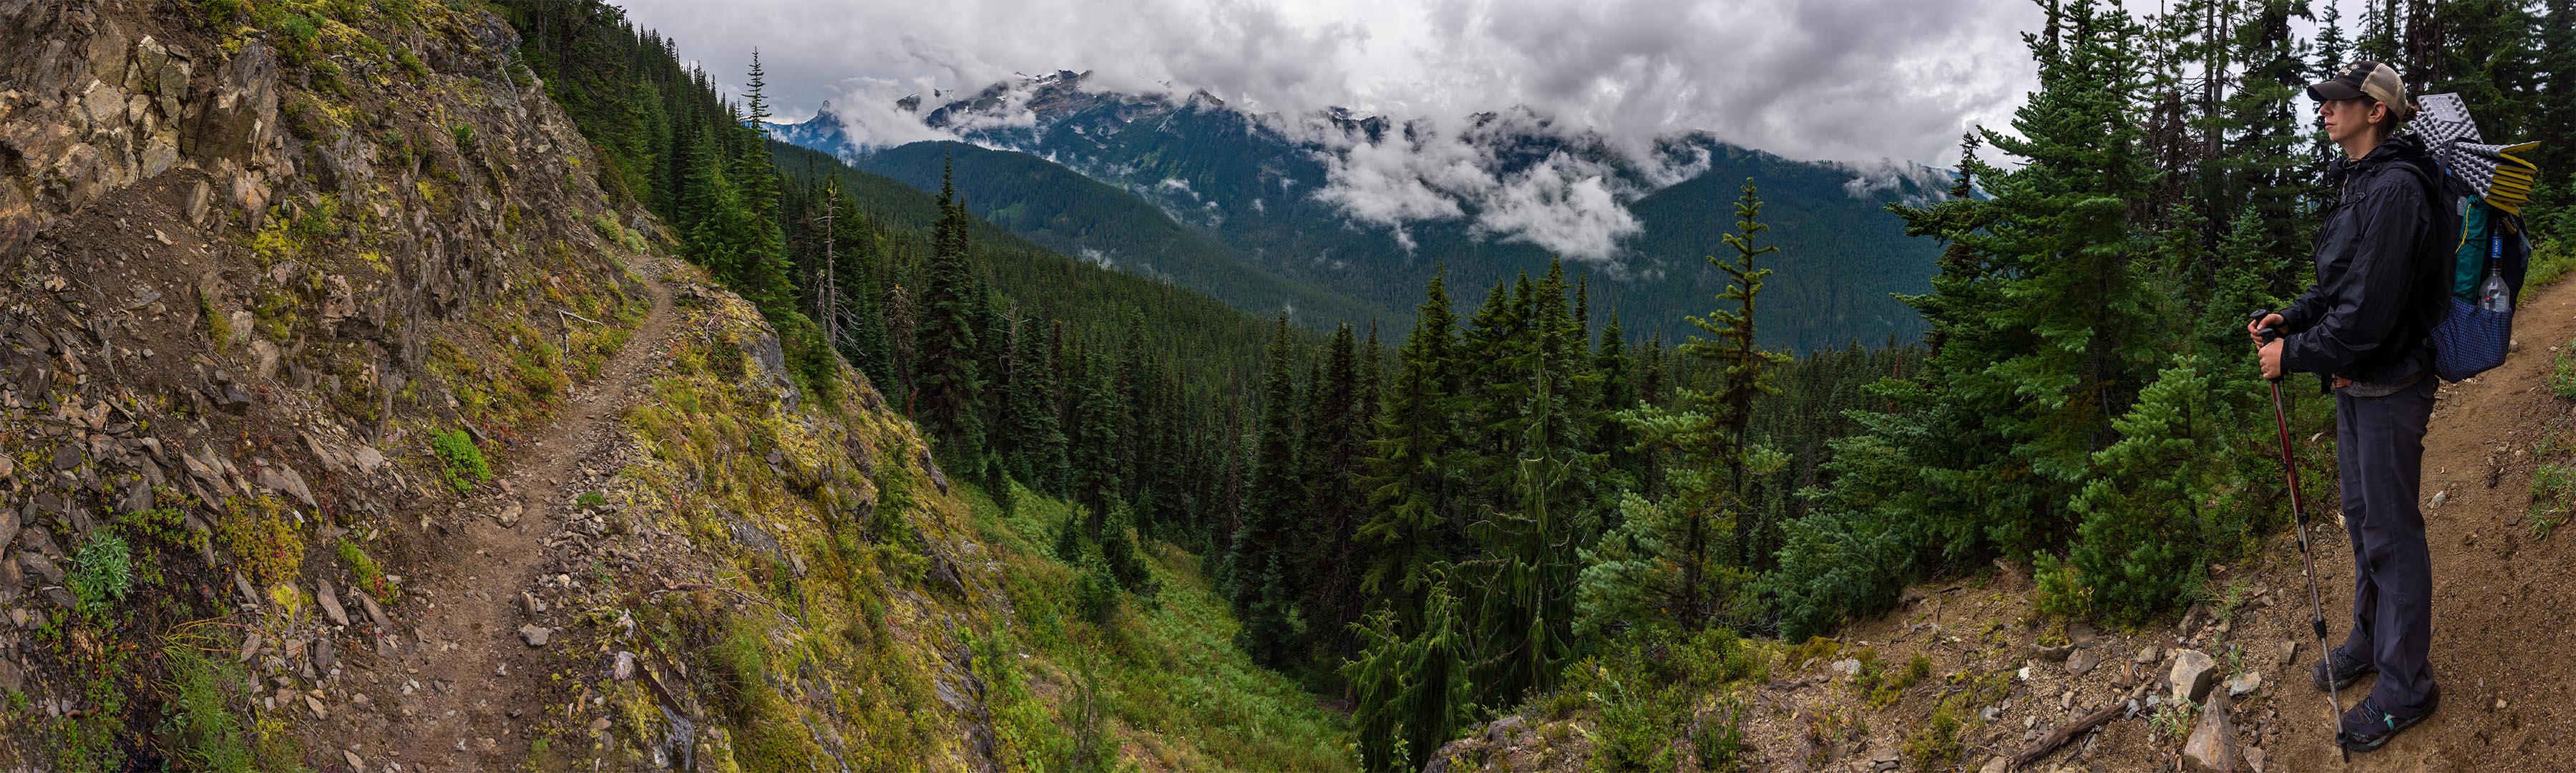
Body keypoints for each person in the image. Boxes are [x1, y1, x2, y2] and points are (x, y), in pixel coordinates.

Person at [2247, 59, 2450, 752]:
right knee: (2364, 522)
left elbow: (2365, 317)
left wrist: (2295, 354)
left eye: (2340, 101)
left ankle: (2407, 686)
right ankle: (2370, 638)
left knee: (2392, 534)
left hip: (2391, 382)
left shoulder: (2396, 191)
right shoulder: (2363, 182)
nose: (2326, 109)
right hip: (2359, 384)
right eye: (2327, 101)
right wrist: (2291, 318)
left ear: (2377, 112)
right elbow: (2339, 288)